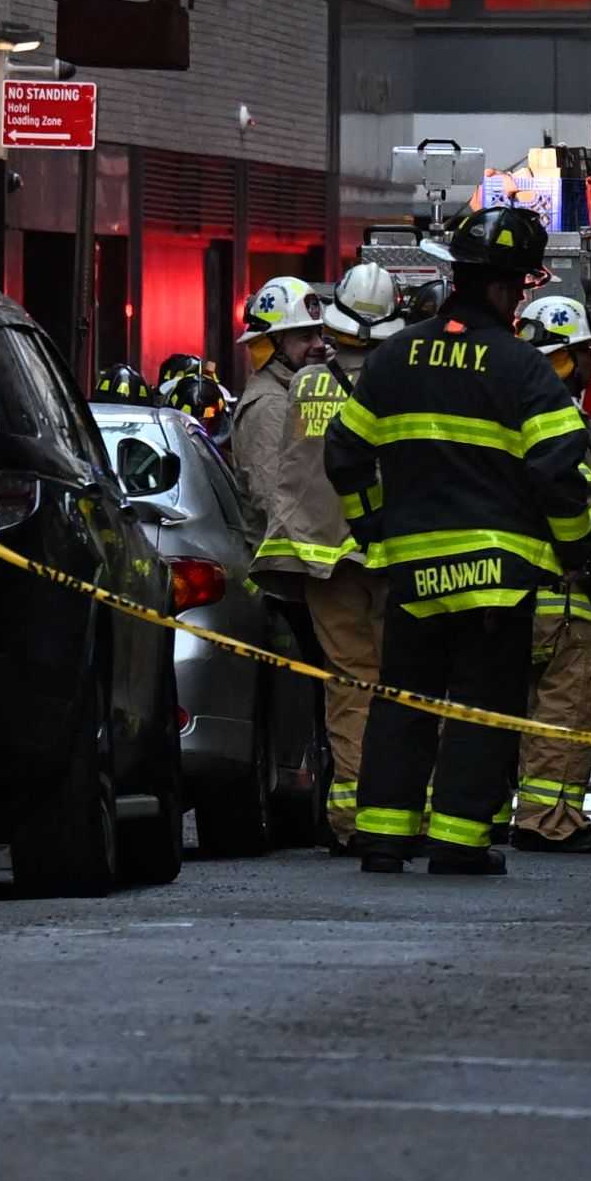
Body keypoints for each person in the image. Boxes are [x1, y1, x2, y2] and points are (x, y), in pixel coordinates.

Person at [322, 206, 591, 875]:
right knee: (484, 704)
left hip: (413, 570)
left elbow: (344, 451)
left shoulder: (393, 358)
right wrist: (576, 551)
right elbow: (565, 472)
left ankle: (384, 838)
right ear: (505, 289)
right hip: (497, 577)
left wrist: (373, 524)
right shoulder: (523, 370)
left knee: (404, 698)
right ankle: (458, 842)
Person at [226, 276, 381, 848]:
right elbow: (273, 498)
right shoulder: (270, 404)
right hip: (301, 575)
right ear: (270, 344)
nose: (317, 343)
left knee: (344, 690)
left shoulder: (307, 389)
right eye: (301, 336)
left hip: (323, 565)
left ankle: (342, 806)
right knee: (344, 689)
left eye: (319, 332)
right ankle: (342, 810)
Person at [505, 293, 591, 857]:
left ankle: (498, 810)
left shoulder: (505, 411)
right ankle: (549, 819)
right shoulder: (560, 420)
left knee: (514, 707)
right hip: (566, 596)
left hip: (504, 591)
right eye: (586, 352)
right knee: (566, 708)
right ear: (568, 359)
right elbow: (581, 511)